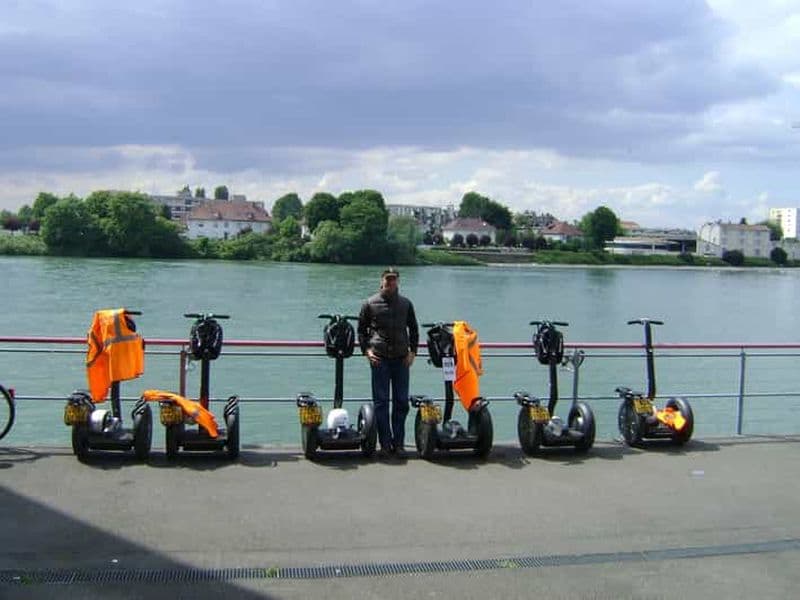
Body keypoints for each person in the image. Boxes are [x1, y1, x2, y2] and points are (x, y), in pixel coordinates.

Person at [357, 267, 419, 459]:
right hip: (379, 358)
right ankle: (384, 443)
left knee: (401, 402)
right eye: (387, 279)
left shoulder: (406, 304)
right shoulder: (370, 303)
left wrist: (413, 352)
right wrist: (366, 351)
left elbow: (414, 330)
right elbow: (361, 330)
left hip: (401, 359)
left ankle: (399, 443)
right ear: (381, 280)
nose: (391, 283)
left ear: (398, 281)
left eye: (394, 279)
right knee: (381, 403)